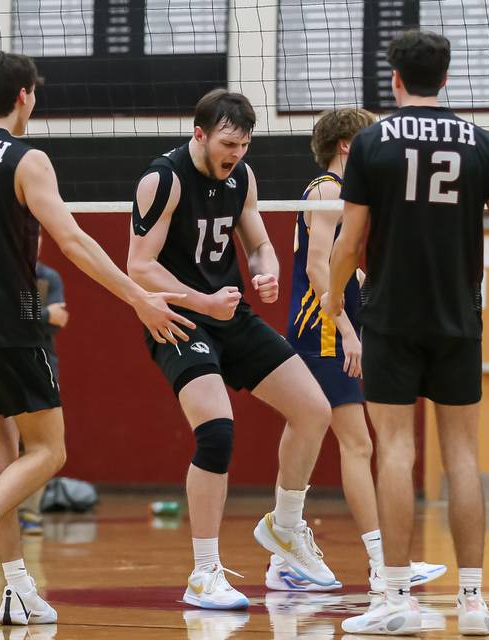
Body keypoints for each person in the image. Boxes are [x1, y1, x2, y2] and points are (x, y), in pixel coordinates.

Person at [0, 50, 192, 625]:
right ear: (24, 96)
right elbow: (75, 242)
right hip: (13, 315)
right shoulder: (27, 159)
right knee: (50, 450)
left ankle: (15, 588)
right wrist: (137, 297)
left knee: (1, 449)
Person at [323, 30, 489, 635]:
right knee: (463, 455)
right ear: (447, 77)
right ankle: (473, 603)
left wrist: (334, 297)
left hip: (389, 316)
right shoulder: (485, 143)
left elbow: (350, 241)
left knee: (396, 450)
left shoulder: (370, 143)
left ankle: (394, 598)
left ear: (395, 79)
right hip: (458, 318)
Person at [128, 88, 336, 611]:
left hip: (228, 313)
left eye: (244, 145)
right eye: (227, 144)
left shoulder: (242, 176)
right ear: (199, 134)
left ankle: (285, 531)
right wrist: (202, 301)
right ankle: (204, 573)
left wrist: (266, 270)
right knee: (217, 432)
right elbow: (139, 267)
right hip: (176, 316)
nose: (236, 154)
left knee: (314, 410)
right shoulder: (164, 178)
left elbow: (260, 243)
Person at [266, 107, 446, 593]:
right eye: (371, 138)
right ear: (347, 145)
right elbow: (321, 270)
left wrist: (375, 291)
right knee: (357, 444)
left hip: (321, 323)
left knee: (326, 434)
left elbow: (339, 269)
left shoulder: (339, 193)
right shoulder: (327, 190)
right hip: (321, 328)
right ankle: (383, 562)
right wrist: (348, 330)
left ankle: (285, 555)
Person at [20, 233, 68, 535]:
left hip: (43, 359)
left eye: (38, 235)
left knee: (41, 443)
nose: (34, 240)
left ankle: (29, 513)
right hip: (9, 359)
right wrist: (45, 313)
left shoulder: (49, 276)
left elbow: (60, 319)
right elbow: (15, 318)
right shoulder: (6, 270)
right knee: (2, 439)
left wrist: (36, 315)